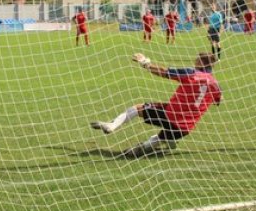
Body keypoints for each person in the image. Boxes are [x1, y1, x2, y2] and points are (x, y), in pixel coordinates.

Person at [90, 52, 221, 158]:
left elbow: (164, 72)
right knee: (156, 141)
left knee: (138, 108)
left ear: (200, 62)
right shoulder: (216, 85)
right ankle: (154, 145)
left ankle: (112, 125)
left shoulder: (192, 73)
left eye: (196, 59)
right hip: (185, 128)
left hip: (171, 115)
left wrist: (145, 63)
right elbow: (218, 101)